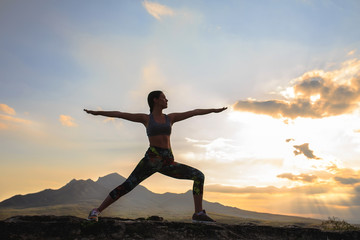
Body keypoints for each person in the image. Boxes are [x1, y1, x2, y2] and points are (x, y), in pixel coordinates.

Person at [84, 90, 227, 223]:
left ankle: (198, 214)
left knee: (198, 176)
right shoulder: (146, 118)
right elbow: (119, 114)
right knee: (127, 186)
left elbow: (194, 112)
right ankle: (96, 210)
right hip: (151, 160)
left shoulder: (170, 118)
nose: (167, 100)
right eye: (164, 97)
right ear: (155, 100)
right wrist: (97, 113)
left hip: (167, 162)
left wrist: (214, 110)